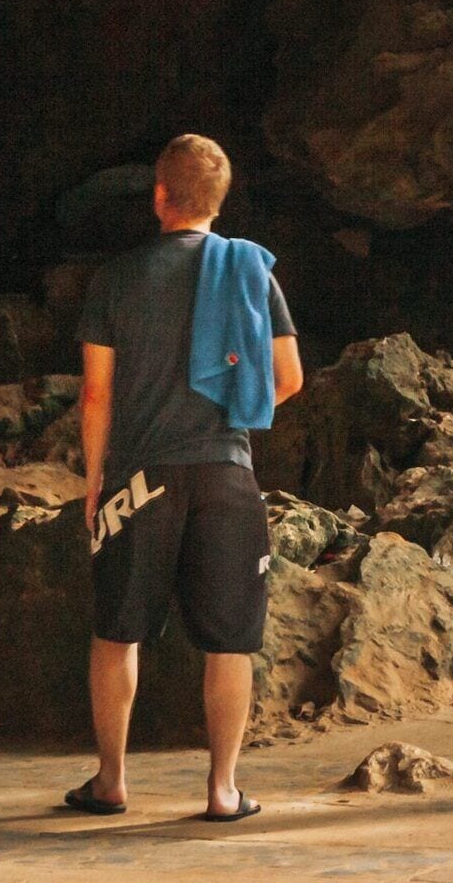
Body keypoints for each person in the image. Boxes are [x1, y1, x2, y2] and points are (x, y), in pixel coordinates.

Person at [62, 134, 303, 824]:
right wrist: (235, 408)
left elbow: (96, 395)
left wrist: (95, 478)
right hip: (227, 474)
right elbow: (288, 379)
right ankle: (223, 789)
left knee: (118, 631)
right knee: (231, 640)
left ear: (160, 196)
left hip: (141, 475)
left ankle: (111, 780)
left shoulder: (117, 277)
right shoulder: (252, 271)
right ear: (218, 203)